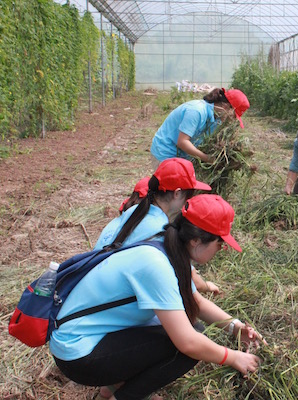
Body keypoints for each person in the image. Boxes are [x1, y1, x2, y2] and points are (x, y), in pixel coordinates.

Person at [50, 194, 265, 400]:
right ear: (197, 240)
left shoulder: (167, 246)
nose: (221, 249)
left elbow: (196, 302)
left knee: (193, 329)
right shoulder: (156, 265)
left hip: (86, 337)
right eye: (220, 243)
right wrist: (233, 357)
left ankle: (112, 388)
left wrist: (236, 328)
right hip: (77, 354)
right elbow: (187, 343)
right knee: (187, 348)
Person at [95, 158, 219, 295]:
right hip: (113, 297)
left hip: (95, 284)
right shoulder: (161, 232)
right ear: (177, 193)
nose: (189, 200)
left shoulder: (134, 212)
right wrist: (207, 287)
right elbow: (191, 284)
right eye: (189, 194)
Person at [150, 88, 250, 168]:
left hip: (183, 155)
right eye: (233, 115)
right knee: (170, 191)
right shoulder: (197, 111)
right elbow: (182, 142)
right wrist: (208, 158)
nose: (232, 120)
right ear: (225, 106)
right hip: (166, 153)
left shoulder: (217, 118)